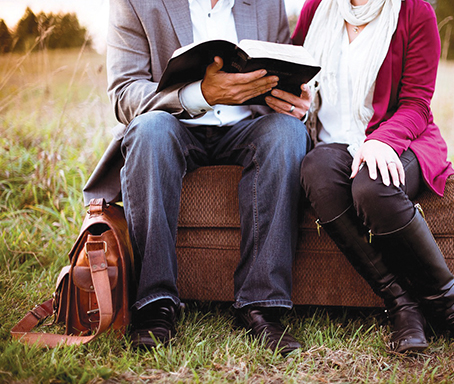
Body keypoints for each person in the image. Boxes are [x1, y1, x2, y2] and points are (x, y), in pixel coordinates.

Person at [83, 0, 311, 354]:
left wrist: (294, 98)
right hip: (174, 123)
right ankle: (156, 304)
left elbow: (283, 71)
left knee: (288, 134)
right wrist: (200, 95)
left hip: (248, 126)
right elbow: (124, 94)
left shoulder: (268, 3)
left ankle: (262, 306)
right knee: (149, 131)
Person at [292, 0, 454, 357]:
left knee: (372, 185)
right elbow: (293, 76)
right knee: (316, 170)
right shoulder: (315, 9)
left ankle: (450, 305)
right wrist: (289, 100)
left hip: (399, 138)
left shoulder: (414, 11)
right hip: (331, 143)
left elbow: (417, 101)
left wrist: (381, 140)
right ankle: (402, 304)